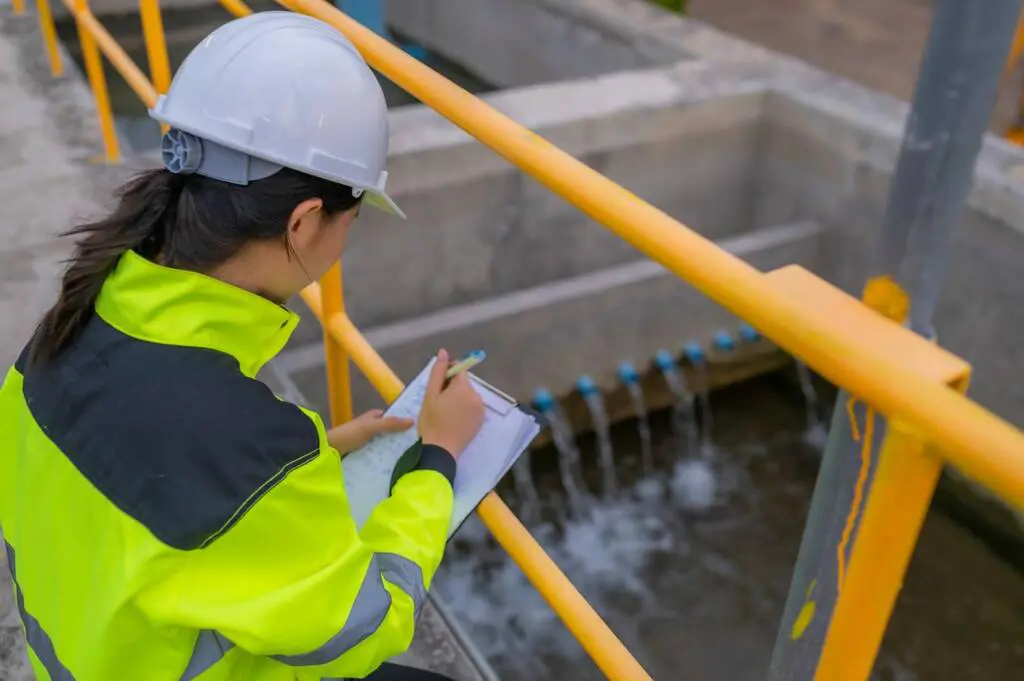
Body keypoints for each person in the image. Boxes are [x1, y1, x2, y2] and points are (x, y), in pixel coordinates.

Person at [0, 11, 485, 681]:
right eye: (351, 218)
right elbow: (362, 624)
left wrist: (312, 455)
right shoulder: (242, 444)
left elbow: (163, 463)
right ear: (305, 220)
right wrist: (437, 458)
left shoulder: (68, 327)